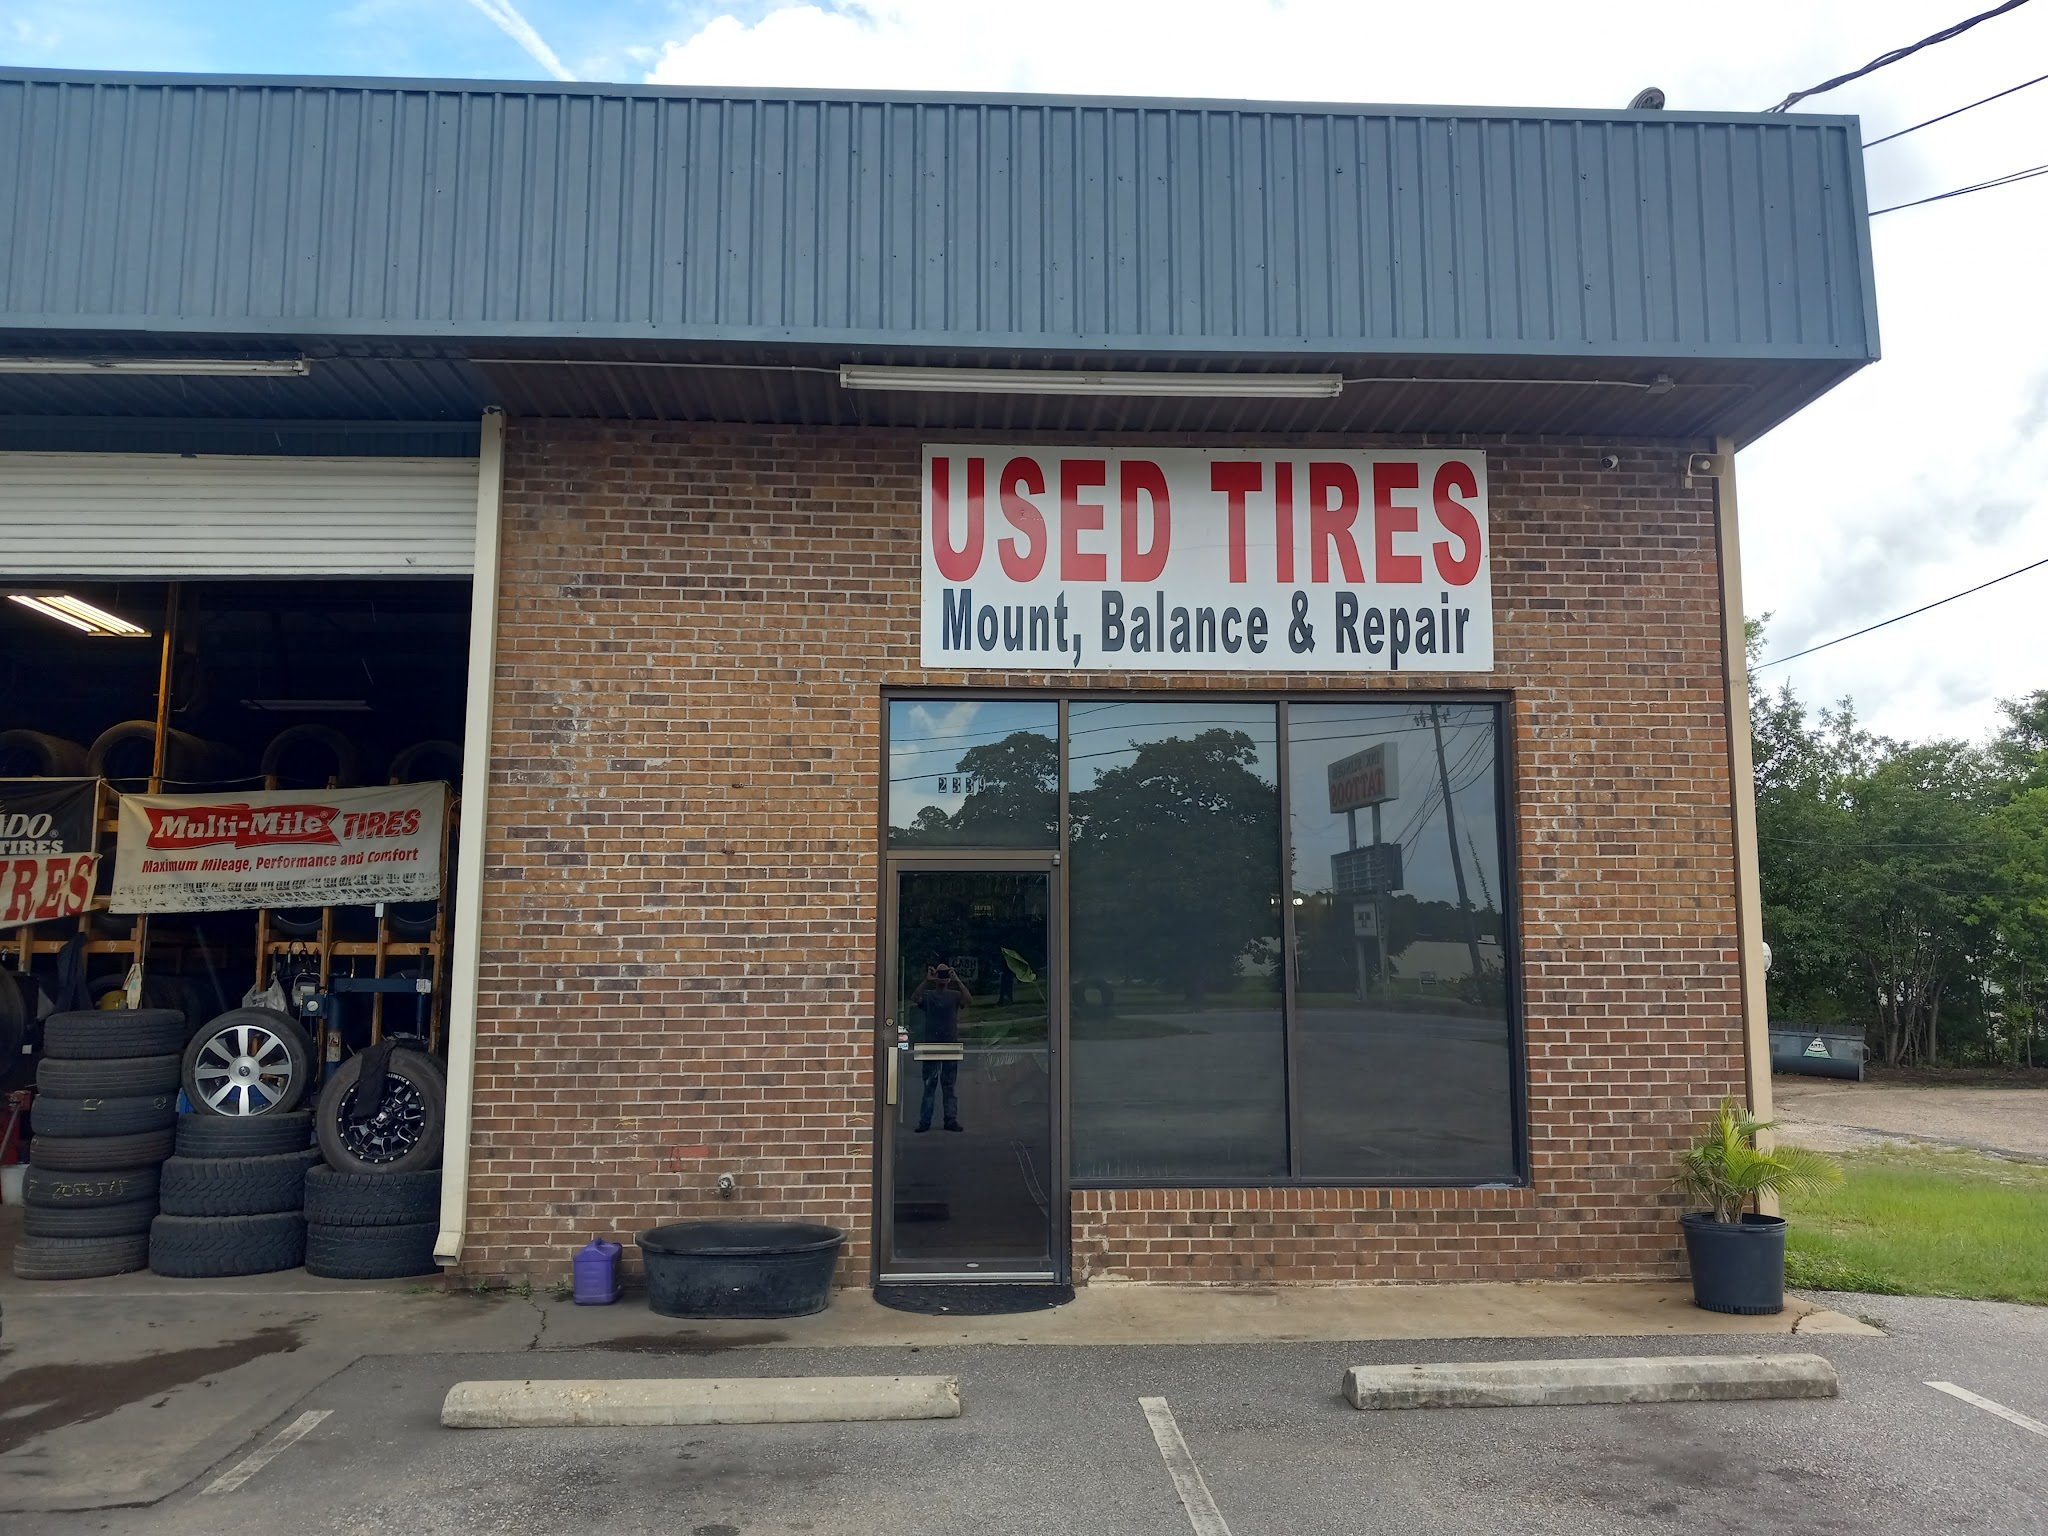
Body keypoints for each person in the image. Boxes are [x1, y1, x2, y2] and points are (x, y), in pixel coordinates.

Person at [909, 958, 970, 1133]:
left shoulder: (954, 995)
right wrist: (928, 980)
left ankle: (948, 1119)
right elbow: (914, 998)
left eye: (944, 975)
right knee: (930, 1084)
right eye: (940, 975)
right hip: (932, 1044)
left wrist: (956, 980)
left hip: (948, 1044)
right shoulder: (929, 996)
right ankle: (926, 1121)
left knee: (948, 1085)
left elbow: (969, 1000)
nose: (942, 978)